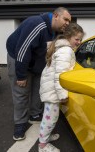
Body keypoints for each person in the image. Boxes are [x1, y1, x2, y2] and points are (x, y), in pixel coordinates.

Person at [6, 7, 71, 141]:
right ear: (55, 16)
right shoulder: (37, 24)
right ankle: (20, 124)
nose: (67, 23)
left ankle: (34, 115)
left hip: (35, 62)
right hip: (19, 59)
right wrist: (21, 75)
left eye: (69, 21)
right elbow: (23, 50)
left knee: (38, 88)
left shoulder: (54, 31)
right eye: (66, 19)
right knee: (21, 92)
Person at [38, 23, 84, 152]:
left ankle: (46, 136)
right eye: (77, 39)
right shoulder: (66, 51)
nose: (79, 42)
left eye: (80, 39)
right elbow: (60, 75)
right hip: (53, 91)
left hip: (51, 88)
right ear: (68, 37)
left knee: (49, 117)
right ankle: (42, 145)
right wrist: (62, 95)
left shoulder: (62, 48)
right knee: (50, 119)